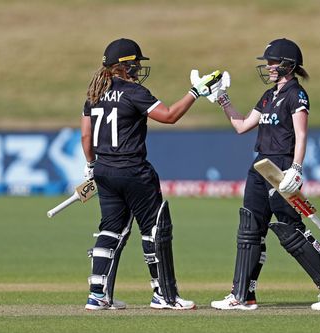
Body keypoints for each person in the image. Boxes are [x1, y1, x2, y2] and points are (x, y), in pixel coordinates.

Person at [209, 38, 320, 311]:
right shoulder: (268, 95)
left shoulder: (297, 95)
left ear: (289, 65)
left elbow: (301, 134)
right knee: (250, 228)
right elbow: (242, 126)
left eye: (272, 63)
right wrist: (223, 99)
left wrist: (296, 169)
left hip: (281, 168)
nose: (269, 67)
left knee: (290, 230)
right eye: (268, 63)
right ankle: (242, 295)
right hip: (260, 166)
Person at [80, 38, 221, 310]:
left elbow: (86, 136)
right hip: (133, 170)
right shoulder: (135, 92)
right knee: (155, 230)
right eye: (134, 64)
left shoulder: (94, 94)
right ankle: (164, 295)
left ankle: (97, 294)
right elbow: (168, 116)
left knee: (110, 229)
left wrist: (90, 166)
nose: (137, 69)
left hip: (104, 170)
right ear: (122, 66)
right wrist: (196, 92)